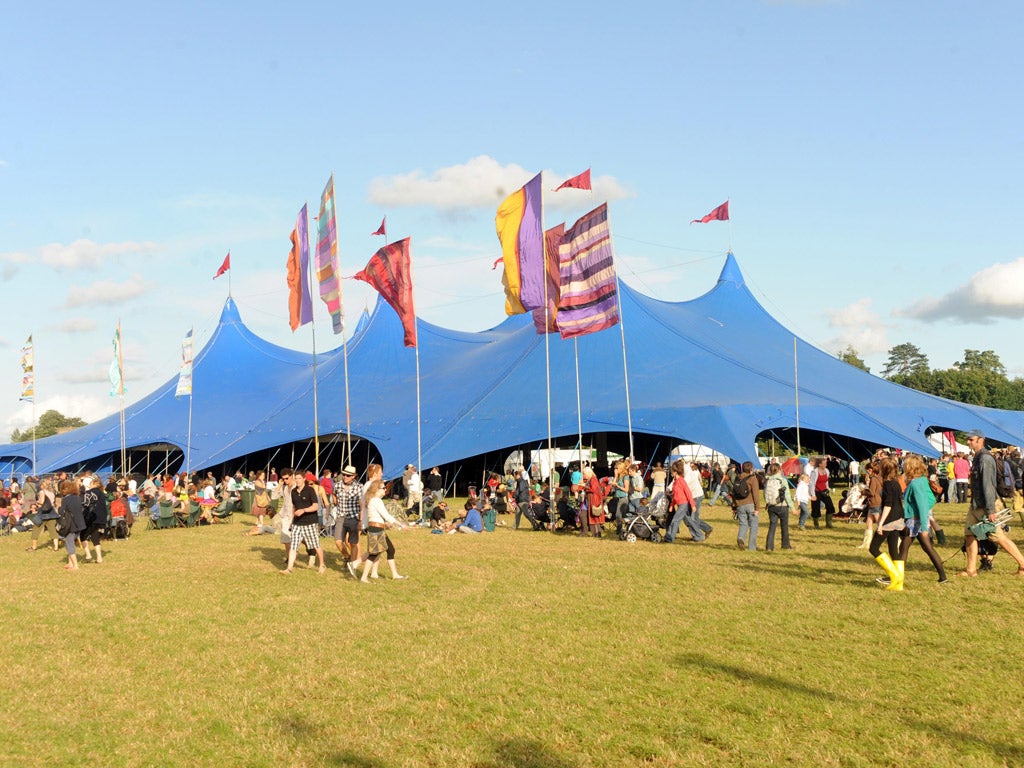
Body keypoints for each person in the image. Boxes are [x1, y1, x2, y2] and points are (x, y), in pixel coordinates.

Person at [960, 431, 1024, 577]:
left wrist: (990, 510)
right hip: (976, 504)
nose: (968, 442)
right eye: (968, 439)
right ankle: (971, 570)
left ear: (980, 440)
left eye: (971, 439)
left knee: (997, 537)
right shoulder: (977, 457)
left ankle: (1022, 564)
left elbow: (988, 485)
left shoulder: (985, 458)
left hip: (987, 504)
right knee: (969, 534)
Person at [900, 455, 947, 584]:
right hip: (917, 520)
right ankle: (943, 577)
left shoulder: (915, 483)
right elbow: (930, 500)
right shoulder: (922, 480)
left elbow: (922, 505)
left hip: (915, 521)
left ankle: (896, 577)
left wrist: (925, 527)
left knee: (906, 549)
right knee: (923, 548)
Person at [868, 456, 908, 590]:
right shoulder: (896, 482)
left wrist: (880, 524)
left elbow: (888, 504)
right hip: (898, 518)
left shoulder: (888, 484)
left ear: (883, 470)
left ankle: (894, 576)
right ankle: (899, 584)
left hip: (890, 519)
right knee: (893, 550)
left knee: (873, 548)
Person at [361, 479, 407, 581]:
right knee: (374, 554)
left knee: (390, 550)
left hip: (377, 528)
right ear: (376, 490)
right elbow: (386, 516)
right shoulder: (376, 501)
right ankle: (363, 577)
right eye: (383, 488)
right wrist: (401, 525)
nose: (385, 490)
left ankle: (395, 575)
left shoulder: (373, 500)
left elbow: (380, 516)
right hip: (376, 529)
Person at [281, 471, 325, 574]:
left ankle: (322, 564)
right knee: (293, 546)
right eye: (296, 478)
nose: (297, 480)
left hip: (310, 522)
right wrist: (292, 521)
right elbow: (294, 507)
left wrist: (304, 510)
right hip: (297, 523)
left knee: (315, 545)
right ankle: (289, 568)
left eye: (299, 478)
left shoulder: (310, 490)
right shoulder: (293, 492)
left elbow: (315, 506)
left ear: (304, 479)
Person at [332, 465, 363, 577]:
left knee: (353, 543)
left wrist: (361, 520)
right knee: (338, 541)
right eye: (344, 474)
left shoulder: (359, 487)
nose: (345, 477)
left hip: (354, 517)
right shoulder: (337, 485)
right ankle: (347, 556)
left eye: (348, 475)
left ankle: (353, 566)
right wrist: (336, 503)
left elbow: (362, 505)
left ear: (353, 476)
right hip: (341, 517)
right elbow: (333, 494)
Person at [664, 461, 701, 543]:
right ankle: (699, 535)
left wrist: (692, 505)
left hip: (683, 504)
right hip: (679, 504)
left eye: (672, 471)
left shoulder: (681, 481)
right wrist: (672, 505)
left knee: (675, 520)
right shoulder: (675, 482)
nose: (671, 473)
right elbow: (675, 496)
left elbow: (688, 493)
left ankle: (670, 537)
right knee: (688, 521)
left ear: (676, 472)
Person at [763, 462, 793, 551]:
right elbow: (787, 494)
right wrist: (792, 507)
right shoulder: (782, 480)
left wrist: (768, 502)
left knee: (772, 527)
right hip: (782, 505)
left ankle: (769, 546)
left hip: (771, 506)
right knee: (784, 526)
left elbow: (765, 493)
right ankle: (785, 545)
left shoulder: (767, 480)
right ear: (779, 470)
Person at [57, 479, 86, 571]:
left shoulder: (65, 499)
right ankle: (70, 562)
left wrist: (59, 508)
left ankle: (75, 565)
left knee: (69, 543)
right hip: (79, 523)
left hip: (70, 524)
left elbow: (62, 512)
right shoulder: (77, 497)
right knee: (71, 542)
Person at [732, 461, 761, 551]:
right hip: (750, 504)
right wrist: (757, 508)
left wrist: (734, 506)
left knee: (743, 524)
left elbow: (734, 493)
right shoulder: (753, 479)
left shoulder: (738, 478)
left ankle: (741, 537)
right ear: (751, 468)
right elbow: (756, 494)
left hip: (739, 505)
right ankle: (752, 547)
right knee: (754, 526)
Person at [80, 475, 109, 564]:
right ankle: (99, 558)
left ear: (94, 484)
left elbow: (85, 503)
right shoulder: (102, 494)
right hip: (101, 519)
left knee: (83, 536)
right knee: (95, 538)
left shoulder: (89, 493)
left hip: (91, 518)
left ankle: (88, 555)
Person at [26, 478, 59, 552]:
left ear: (42, 485)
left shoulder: (42, 492)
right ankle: (56, 547)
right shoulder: (52, 493)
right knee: (53, 530)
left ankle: (34, 547)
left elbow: (42, 502)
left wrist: (37, 502)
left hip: (43, 514)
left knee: (36, 529)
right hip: (52, 513)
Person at [580, 466, 604, 537]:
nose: (584, 475)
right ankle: (584, 531)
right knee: (582, 515)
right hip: (587, 500)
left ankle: (596, 533)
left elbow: (593, 489)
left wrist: (585, 486)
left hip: (593, 500)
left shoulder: (593, 479)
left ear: (588, 473)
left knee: (594, 517)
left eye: (584, 474)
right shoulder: (589, 479)